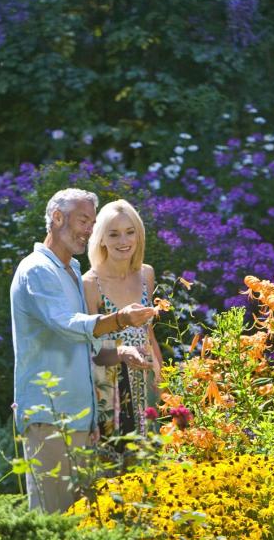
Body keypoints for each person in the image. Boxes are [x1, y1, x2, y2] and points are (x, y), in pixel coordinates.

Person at [9, 188, 157, 513]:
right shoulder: (37, 269)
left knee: (82, 521)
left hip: (80, 418)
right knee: (53, 519)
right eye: (82, 220)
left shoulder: (72, 271)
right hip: (50, 414)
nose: (89, 229)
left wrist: (121, 353)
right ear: (57, 218)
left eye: (92, 221)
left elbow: (89, 346)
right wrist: (120, 319)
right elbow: (68, 324)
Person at [83, 200, 165, 450]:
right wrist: (121, 354)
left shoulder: (146, 274)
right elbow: (90, 348)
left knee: (153, 458)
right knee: (117, 463)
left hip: (146, 377)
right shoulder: (89, 283)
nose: (123, 241)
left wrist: (162, 379)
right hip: (110, 385)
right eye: (114, 234)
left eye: (130, 232)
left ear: (139, 236)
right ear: (101, 239)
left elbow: (148, 331)